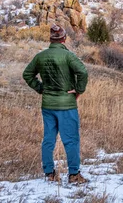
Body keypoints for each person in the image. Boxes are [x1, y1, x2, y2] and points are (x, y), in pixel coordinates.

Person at [23, 24, 89, 184]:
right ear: (64, 38)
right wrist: (78, 90)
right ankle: (74, 175)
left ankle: (49, 173)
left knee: (48, 139)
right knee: (71, 140)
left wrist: (41, 89)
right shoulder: (69, 56)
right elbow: (83, 72)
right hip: (66, 105)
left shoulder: (41, 56)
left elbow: (27, 74)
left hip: (48, 105)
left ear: (50, 39)